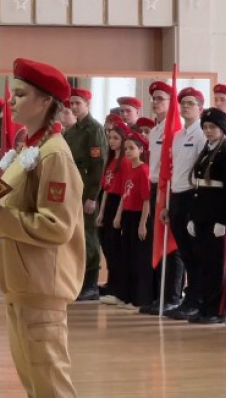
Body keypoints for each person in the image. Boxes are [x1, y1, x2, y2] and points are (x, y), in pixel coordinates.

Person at [0, 58, 84, 397]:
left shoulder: (53, 155)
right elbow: (4, 216)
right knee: (35, 384)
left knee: (51, 386)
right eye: (12, 93)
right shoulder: (29, 149)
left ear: (45, 101)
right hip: (21, 282)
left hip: (42, 284)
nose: (11, 100)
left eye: (20, 94)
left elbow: (56, 226)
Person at [159, 87, 206, 318]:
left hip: (192, 195)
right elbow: (173, 170)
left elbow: (201, 170)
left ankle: (197, 299)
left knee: (195, 253)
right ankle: (190, 297)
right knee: (185, 252)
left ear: (200, 108)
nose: (185, 107)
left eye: (190, 103)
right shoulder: (177, 136)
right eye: (183, 103)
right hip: (176, 195)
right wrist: (167, 204)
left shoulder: (202, 134)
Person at [186, 107, 226, 325]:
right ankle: (205, 307)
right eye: (205, 127)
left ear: (222, 129)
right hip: (202, 216)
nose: (208, 131)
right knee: (204, 263)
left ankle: (218, 309)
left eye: (213, 127)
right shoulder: (206, 151)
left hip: (216, 217)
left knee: (217, 266)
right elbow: (198, 188)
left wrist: (222, 220)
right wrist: (193, 217)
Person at [146, 81, 186, 316]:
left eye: (161, 98)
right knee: (158, 240)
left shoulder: (174, 129)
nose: (156, 102)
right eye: (154, 98)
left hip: (169, 187)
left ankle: (172, 295)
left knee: (172, 244)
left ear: (171, 103)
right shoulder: (154, 130)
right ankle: (159, 295)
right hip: (155, 186)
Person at [63, 87, 106, 301]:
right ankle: (78, 280)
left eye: (77, 103)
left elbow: (99, 164)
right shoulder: (72, 130)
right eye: (71, 103)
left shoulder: (93, 129)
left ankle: (91, 283)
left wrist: (93, 196)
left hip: (87, 189)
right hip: (73, 189)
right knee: (75, 235)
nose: (73, 107)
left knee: (88, 235)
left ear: (87, 104)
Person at [112, 132, 152, 310]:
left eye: (131, 148)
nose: (127, 151)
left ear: (141, 150)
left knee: (138, 258)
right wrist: (118, 215)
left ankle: (139, 298)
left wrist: (143, 224)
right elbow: (124, 194)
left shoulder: (144, 170)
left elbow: (146, 200)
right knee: (126, 256)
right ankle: (125, 295)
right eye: (126, 148)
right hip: (128, 215)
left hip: (138, 216)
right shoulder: (128, 168)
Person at [96, 120, 131, 305]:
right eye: (110, 137)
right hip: (108, 203)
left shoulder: (125, 161)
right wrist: (101, 212)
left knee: (115, 247)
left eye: (116, 138)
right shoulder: (110, 161)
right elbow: (106, 189)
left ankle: (118, 286)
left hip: (119, 204)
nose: (112, 141)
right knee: (107, 246)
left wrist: (118, 214)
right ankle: (111, 283)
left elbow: (124, 190)